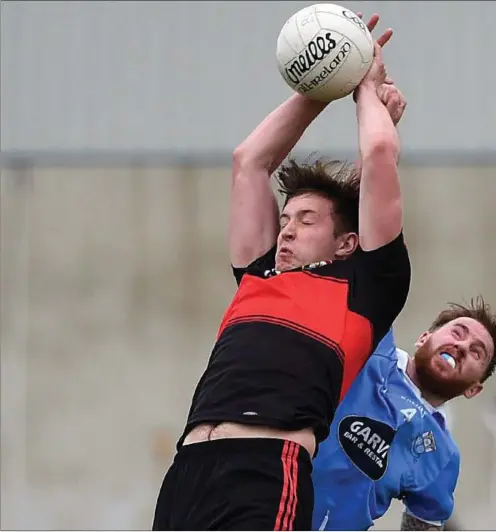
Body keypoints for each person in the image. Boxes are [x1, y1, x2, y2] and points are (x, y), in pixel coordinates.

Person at [152, 14, 411, 531]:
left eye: (306, 219)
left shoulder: (365, 289)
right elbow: (249, 161)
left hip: (267, 469)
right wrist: (319, 87)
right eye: (285, 218)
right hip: (188, 470)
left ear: (347, 243)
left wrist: (362, 82)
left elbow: (379, 150)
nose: (286, 230)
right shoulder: (259, 274)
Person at [312, 299, 496, 531]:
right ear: (423, 339)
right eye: (457, 333)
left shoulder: (442, 456)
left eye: (476, 352)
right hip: (263, 503)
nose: (462, 346)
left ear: (473, 390)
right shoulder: (370, 346)